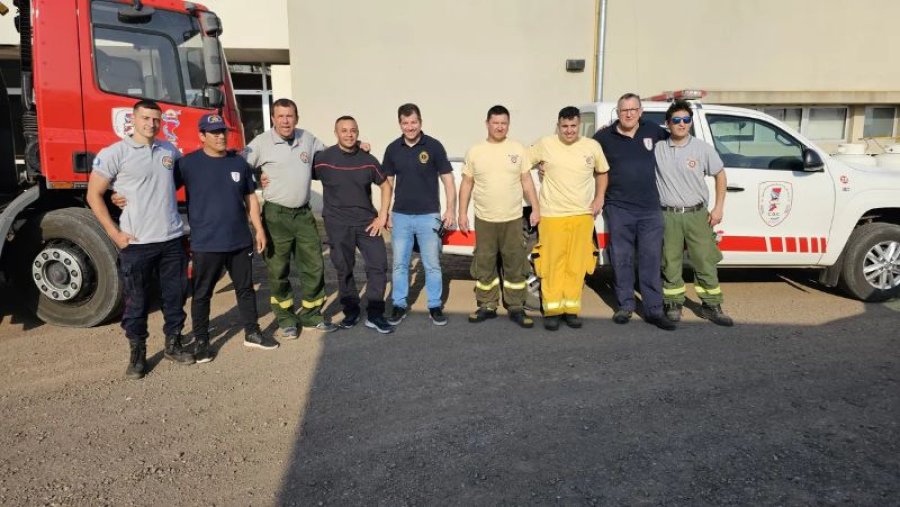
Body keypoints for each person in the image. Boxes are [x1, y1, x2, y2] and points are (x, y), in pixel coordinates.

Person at [86, 99, 194, 379]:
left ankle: (173, 344)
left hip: (171, 239)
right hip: (136, 243)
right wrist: (114, 233)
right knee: (136, 302)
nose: (151, 124)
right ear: (133, 120)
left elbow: (174, 182)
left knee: (175, 297)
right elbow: (93, 194)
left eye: (156, 119)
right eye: (145, 118)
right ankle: (137, 354)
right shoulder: (115, 153)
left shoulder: (169, 150)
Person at [178, 113, 278, 362]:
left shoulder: (238, 163)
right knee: (202, 294)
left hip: (239, 240)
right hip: (206, 243)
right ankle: (202, 341)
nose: (220, 136)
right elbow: (161, 188)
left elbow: (250, 198)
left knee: (245, 290)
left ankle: (252, 333)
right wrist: (122, 195)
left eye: (222, 131)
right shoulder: (187, 164)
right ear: (202, 136)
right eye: (214, 133)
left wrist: (259, 229)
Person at [243, 98, 338, 338]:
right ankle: (286, 317)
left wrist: (357, 145)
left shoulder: (307, 138)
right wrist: (256, 179)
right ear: (273, 119)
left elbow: (332, 155)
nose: (285, 121)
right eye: (281, 116)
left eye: (290, 116)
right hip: (276, 215)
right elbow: (240, 167)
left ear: (297, 118)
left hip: (304, 214)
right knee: (278, 269)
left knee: (314, 265)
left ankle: (311, 315)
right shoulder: (261, 142)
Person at [593, 93, 676, 330]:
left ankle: (654, 310)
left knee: (651, 260)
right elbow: (581, 155)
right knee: (622, 259)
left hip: (650, 208)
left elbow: (678, 142)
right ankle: (625, 306)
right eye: (624, 110)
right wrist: (543, 165)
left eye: (633, 110)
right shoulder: (603, 137)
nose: (628, 114)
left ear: (640, 112)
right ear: (617, 113)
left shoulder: (653, 131)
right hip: (619, 208)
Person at [458, 105, 540, 328]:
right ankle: (487, 304)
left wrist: (535, 207)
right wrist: (461, 213)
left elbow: (526, 181)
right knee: (485, 263)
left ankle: (516, 306)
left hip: (512, 218)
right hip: (485, 219)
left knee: (515, 263)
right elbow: (466, 184)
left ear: (508, 125)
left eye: (504, 123)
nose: (500, 127)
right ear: (487, 124)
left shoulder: (518, 149)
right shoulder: (475, 151)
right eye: (495, 123)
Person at [528, 106, 608, 331]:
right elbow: (522, 165)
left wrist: (599, 198)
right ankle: (552, 311)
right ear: (558, 125)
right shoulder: (545, 144)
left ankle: (571, 310)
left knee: (576, 265)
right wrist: (538, 170)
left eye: (573, 126)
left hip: (583, 215)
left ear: (579, 124)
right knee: (552, 265)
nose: (569, 130)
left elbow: (602, 172)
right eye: (565, 126)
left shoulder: (592, 146)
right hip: (552, 215)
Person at [655, 100, 734, 327]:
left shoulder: (702, 148)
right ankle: (673, 304)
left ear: (690, 122)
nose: (682, 124)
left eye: (686, 120)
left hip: (697, 215)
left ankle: (711, 305)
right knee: (670, 262)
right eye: (676, 120)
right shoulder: (658, 149)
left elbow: (720, 175)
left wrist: (718, 207)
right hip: (668, 215)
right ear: (668, 123)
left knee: (705, 261)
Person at [313, 116, 395, 334]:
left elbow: (386, 186)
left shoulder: (368, 160)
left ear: (358, 133)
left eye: (353, 131)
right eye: (344, 130)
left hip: (367, 223)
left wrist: (382, 216)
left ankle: (375, 314)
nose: (349, 134)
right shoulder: (323, 159)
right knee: (344, 268)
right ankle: (351, 311)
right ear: (336, 133)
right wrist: (265, 178)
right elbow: (299, 172)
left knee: (378, 265)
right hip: (337, 223)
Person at [383, 103, 456, 327]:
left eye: (413, 122)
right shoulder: (393, 149)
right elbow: (387, 183)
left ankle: (434, 305)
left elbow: (448, 179)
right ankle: (399, 304)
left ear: (420, 122)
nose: (410, 127)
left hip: (428, 216)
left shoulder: (433, 146)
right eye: (405, 123)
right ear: (400, 124)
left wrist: (450, 209)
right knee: (400, 264)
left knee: (432, 264)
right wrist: (385, 212)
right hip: (401, 216)